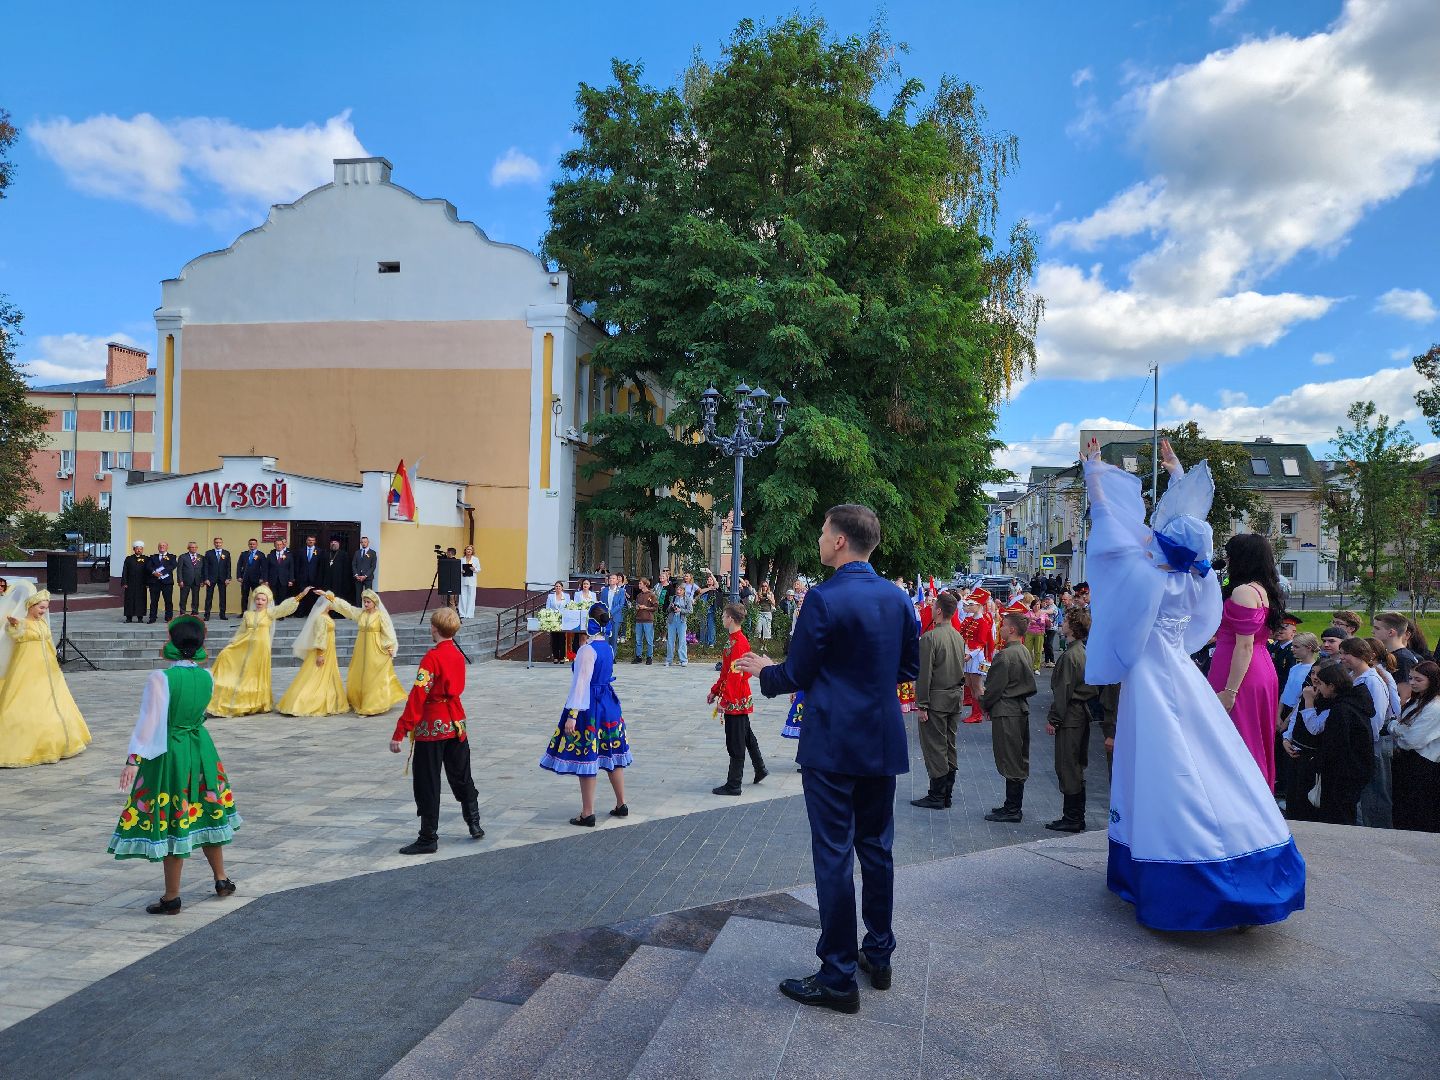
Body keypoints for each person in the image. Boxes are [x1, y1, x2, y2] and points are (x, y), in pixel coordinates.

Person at [1082, 435, 1304, 931]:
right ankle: (1245, 849)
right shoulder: (1198, 579)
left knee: (1162, 766)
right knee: (1212, 756)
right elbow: (1185, 523)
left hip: (1150, 679)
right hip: (1183, 673)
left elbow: (1110, 532)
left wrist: (1095, 473)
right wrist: (1178, 474)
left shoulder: (1146, 579)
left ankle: (1172, 869)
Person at [737, 504, 918, 1014]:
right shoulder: (899, 598)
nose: (819, 538)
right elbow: (907, 666)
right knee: (877, 849)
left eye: (822, 531)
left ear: (840, 541)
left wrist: (765, 670)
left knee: (834, 854)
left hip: (834, 744)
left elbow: (797, 672)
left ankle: (838, 974)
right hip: (881, 740)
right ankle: (878, 954)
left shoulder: (823, 598)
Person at [107, 615, 240, 913]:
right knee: (206, 811)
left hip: (171, 752)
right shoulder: (206, 676)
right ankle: (221, 879)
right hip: (202, 748)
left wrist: (133, 760)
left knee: (172, 819)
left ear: (173, 644)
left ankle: (172, 897)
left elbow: (149, 722)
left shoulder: (161, 678)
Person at [390, 607, 483, 852]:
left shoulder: (432, 658)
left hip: (433, 724)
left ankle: (428, 837)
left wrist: (401, 730)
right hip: (456, 722)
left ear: (434, 628)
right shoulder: (457, 654)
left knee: (428, 781)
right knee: (462, 774)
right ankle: (473, 822)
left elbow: (418, 695)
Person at [539, 603, 631, 826]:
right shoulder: (607, 648)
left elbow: (581, 684)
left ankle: (587, 812)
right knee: (611, 755)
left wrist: (572, 714)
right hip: (609, 704)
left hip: (590, 706)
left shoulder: (586, 651)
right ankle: (621, 803)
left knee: (587, 755)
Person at [1207, 532, 1286, 790]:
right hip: (1257, 667)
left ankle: (1245, 803)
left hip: (1240, 672)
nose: (1226, 558)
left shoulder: (1243, 591)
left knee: (1238, 739)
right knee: (1253, 738)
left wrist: (1230, 691)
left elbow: (1244, 644)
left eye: (1230, 553)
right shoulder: (1262, 589)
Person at [0, 587, 92, 767]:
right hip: (26, 671)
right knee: (25, 703)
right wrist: (13, 624)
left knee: (54, 702)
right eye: (41, 608)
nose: (43, 611)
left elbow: (48, 644)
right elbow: (16, 635)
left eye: (45, 608)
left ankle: (58, 741)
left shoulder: (42, 623)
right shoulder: (22, 623)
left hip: (47, 671)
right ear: (31, 606)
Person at [1294, 661, 1375, 826]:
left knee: (1337, 816)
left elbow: (1335, 744)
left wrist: (1315, 763)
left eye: (1322, 684)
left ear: (1331, 686)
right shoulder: (1353, 701)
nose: (1320, 688)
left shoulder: (1342, 709)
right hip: (1354, 770)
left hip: (1343, 774)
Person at [207, 585, 303, 716]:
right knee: (230, 659)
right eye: (258, 599)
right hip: (245, 645)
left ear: (267, 602)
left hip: (261, 649)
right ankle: (239, 700)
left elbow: (284, 608)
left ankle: (257, 702)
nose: (259, 602)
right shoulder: (248, 615)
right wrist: (232, 643)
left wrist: (300, 595)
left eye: (263, 600)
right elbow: (241, 632)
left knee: (255, 674)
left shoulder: (270, 613)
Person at [911, 590, 967, 811]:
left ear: (940, 611)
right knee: (949, 745)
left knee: (935, 747)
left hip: (936, 700)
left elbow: (924, 675)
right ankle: (946, 794)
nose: (931, 608)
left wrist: (922, 704)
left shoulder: (930, 638)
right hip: (954, 697)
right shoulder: (958, 636)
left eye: (934, 605)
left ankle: (937, 795)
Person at [1045, 607, 1100, 832]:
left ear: (1074, 627)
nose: (1063, 623)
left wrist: (1054, 719)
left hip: (1070, 716)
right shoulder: (1082, 651)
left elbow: (1063, 692)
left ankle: (1073, 817)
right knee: (1075, 764)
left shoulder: (1071, 655)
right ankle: (1075, 815)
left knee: (1068, 765)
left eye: (1067, 620)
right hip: (1078, 714)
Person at [979, 612, 1037, 822]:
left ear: (1012, 629)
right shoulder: (1023, 651)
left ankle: (1013, 809)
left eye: (1003, 625)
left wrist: (983, 702)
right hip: (1019, 708)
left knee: (1009, 758)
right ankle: (1011, 805)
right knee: (1017, 756)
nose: (1000, 628)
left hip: (1007, 710)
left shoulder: (1005, 655)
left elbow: (994, 687)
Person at [1339, 637, 1398, 829]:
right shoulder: (1355, 676)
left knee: (1376, 792)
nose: (1343, 657)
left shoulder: (1372, 680)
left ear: (1360, 655)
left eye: (1346, 653)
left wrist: (1364, 745)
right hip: (1362, 744)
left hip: (1373, 744)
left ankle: (1378, 831)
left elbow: (1376, 717)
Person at [710, 602, 766, 796]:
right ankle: (760, 768)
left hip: (736, 697)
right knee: (745, 734)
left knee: (735, 741)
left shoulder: (738, 642)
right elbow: (726, 671)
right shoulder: (733, 640)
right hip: (736, 694)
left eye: (724, 616)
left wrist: (725, 699)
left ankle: (734, 784)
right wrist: (715, 691)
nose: (722, 619)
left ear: (731, 619)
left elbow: (736, 674)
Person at [327, 589, 406, 716]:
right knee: (360, 672)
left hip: (375, 648)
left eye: (368, 602)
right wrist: (331, 598)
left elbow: (387, 632)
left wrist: (390, 647)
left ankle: (371, 704)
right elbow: (347, 609)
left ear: (374, 603)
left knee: (372, 674)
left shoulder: (381, 616)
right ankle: (359, 699)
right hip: (361, 648)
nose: (366, 604)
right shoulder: (361, 614)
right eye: (364, 602)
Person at [275, 590, 347, 717]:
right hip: (323, 650)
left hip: (329, 648)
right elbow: (319, 636)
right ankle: (303, 701)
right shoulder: (321, 618)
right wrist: (320, 654)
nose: (333, 604)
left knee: (325, 674)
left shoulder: (325, 615)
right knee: (315, 673)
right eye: (331, 602)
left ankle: (327, 696)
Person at [1392, 659, 1440, 832]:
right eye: (1411, 678)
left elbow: (1412, 740)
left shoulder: (1434, 707)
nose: (1412, 683)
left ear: (1432, 681)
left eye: (1418, 680)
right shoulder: (1418, 702)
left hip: (1423, 765)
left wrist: (1397, 730)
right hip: (1409, 762)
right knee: (1405, 811)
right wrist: (1398, 729)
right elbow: (1400, 727)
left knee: (1418, 813)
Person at [1373, 612, 1420, 687]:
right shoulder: (1387, 654)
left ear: (1391, 632)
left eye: (1377, 628)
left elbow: (1404, 695)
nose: (1372, 631)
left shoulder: (1403, 659)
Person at [201, 537, 232, 622]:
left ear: (222, 543)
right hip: (211, 579)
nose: (218, 544)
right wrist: (206, 578)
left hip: (223, 578)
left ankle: (222, 615)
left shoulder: (226, 553)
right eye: (216, 543)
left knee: (223, 597)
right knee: (209, 597)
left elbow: (228, 566)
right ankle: (206, 615)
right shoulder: (209, 553)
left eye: (219, 542)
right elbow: (205, 567)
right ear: (214, 543)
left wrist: (228, 578)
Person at [665, 576, 693, 667]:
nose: (678, 591)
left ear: (684, 591)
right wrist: (672, 607)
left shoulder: (687, 599)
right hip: (672, 620)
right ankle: (669, 659)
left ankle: (683, 659)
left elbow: (690, 610)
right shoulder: (673, 598)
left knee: (682, 641)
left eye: (680, 590)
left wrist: (680, 610)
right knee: (670, 641)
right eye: (677, 589)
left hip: (681, 621)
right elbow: (668, 610)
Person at [146, 542, 177, 623]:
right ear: (158, 547)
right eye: (160, 546)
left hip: (167, 582)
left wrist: (162, 572)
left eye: (163, 545)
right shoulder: (153, 557)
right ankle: (152, 618)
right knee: (154, 601)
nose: (162, 547)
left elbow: (172, 566)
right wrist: (154, 572)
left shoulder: (172, 556)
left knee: (168, 601)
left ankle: (169, 618)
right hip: (154, 582)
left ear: (167, 547)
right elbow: (148, 566)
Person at [294, 534, 324, 618]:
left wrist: (319, 578)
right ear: (306, 541)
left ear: (315, 541)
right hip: (302, 578)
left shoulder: (319, 551)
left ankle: (312, 613)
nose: (311, 541)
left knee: (313, 596)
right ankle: (301, 613)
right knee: (302, 596)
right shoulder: (300, 551)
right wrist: (297, 577)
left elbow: (320, 566)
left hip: (314, 578)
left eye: (312, 540)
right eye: (309, 540)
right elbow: (297, 565)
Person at [631, 577, 657, 665]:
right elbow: (636, 605)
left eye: (640, 583)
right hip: (639, 619)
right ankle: (638, 656)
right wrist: (637, 607)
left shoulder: (651, 595)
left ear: (645, 584)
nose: (639, 585)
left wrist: (646, 608)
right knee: (638, 640)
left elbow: (655, 607)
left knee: (649, 640)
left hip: (648, 620)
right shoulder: (639, 595)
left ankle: (649, 657)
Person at [237, 539, 268, 612]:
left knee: (257, 597)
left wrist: (262, 578)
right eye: (250, 544)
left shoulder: (261, 554)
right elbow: (239, 566)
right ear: (248, 545)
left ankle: (257, 611)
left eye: (254, 544)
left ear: (257, 545)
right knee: (244, 596)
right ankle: (243, 612)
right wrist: (239, 576)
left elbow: (264, 568)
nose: (252, 545)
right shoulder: (244, 554)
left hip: (256, 579)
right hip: (245, 579)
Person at [122, 541, 148, 623]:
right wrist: (124, 582)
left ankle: (140, 618)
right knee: (129, 600)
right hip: (130, 583)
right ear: (134, 549)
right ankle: (128, 617)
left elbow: (148, 572)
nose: (139, 550)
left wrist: (148, 583)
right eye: (137, 549)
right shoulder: (129, 559)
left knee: (141, 600)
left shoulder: (146, 559)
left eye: (141, 549)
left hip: (142, 583)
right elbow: (125, 571)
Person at [545, 581, 570, 665]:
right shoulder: (550, 596)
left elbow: (568, 607)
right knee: (554, 638)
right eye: (556, 586)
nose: (558, 588)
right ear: (554, 588)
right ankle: (555, 657)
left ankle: (562, 657)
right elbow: (547, 608)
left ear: (562, 588)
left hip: (563, 620)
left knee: (562, 639)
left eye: (559, 586)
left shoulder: (566, 596)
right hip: (553, 619)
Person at [599, 573, 627, 649]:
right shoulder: (604, 590)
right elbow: (601, 603)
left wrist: (611, 613)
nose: (611, 580)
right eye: (610, 578)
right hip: (605, 617)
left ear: (617, 580)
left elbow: (621, 604)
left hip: (615, 617)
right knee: (605, 637)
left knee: (614, 638)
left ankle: (613, 656)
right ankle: (606, 656)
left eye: (613, 578)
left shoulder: (621, 591)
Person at [323, 537, 353, 606]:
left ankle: (337, 613)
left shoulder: (344, 555)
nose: (333, 543)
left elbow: (347, 570)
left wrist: (345, 582)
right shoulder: (326, 554)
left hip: (339, 582)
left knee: (338, 598)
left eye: (335, 542)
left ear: (339, 544)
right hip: (327, 582)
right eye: (332, 542)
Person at [177, 541, 204, 617]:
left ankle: (195, 612)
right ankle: (182, 612)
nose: (194, 549)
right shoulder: (182, 557)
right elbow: (179, 570)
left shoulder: (201, 557)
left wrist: (202, 580)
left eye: (195, 547)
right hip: (185, 581)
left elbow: (203, 570)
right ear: (188, 548)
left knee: (195, 597)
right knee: (183, 597)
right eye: (192, 547)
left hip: (197, 580)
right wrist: (180, 580)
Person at [268, 539, 295, 609]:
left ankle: (280, 613)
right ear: (274, 545)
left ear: (283, 545)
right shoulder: (270, 555)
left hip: (284, 580)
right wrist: (266, 580)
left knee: (282, 597)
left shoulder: (289, 555)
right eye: (277, 544)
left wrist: (291, 580)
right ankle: (274, 612)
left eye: (280, 544)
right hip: (273, 580)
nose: (279, 546)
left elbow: (291, 568)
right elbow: (266, 568)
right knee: (273, 597)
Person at [1024, 597, 1049, 674]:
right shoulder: (1029, 612)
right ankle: (1028, 666)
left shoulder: (1043, 613)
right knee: (1028, 650)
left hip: (1040, 633)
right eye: (1035, 605)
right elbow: (1024, 618)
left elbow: (1048, 624)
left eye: (1038, 604)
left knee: (1038, 651)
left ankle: (1036, 667)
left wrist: (1047, 621)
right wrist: (1030, 620)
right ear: (1032, 606)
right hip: (1029, 633)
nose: (1037, 606)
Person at [697, 573, 719, 648]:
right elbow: (700, 592)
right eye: (708, 579)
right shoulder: (704, 588)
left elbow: (716, 585)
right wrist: (709, 588)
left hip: (711, 611)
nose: (709, 581)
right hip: (702, 610)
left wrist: (711, 573)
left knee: (711, 626)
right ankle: (702, 642)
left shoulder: (715, 588)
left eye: (711, 580)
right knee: (702, 626)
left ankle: (711, 642)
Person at [458, 545, 480, 620]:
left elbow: (479, 569)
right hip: (463, 580)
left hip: (472, 580)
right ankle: (462, 613)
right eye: (468, 549)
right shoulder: (461, 559)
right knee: (462, 597)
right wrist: (461, 571)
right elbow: (458, 569)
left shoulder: (476, 559)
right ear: (465, 550)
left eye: (470, 549)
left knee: (471, 597)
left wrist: (474, 569)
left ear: (472, 551)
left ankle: (469, 614)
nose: (469, 551)